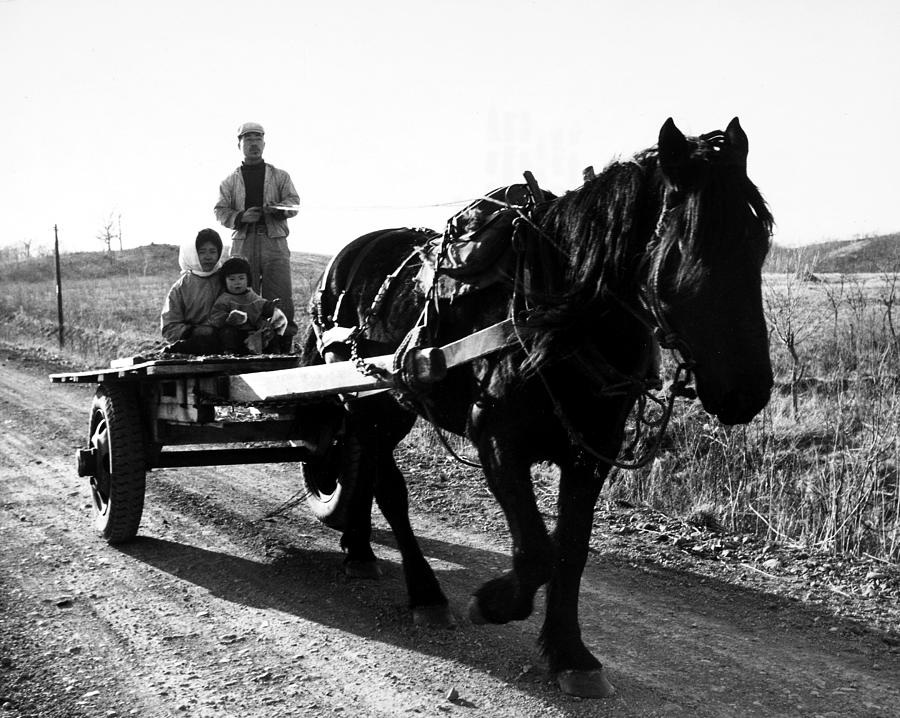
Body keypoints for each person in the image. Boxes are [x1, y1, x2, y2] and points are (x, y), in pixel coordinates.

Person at [214, 122, 299, 352]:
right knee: (241, 295)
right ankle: (245, 349)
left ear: (264, 142)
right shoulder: (229, 182)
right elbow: (220, 211)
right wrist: (241, 217)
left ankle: (282, 347)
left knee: (280, 295)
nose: (253, 143)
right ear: (239, 144)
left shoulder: (280, 176)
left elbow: (294, 203)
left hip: (274, 241)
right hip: (243, 242)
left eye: (258, 138)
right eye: (248, 139)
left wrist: (275, 209)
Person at [160, 228, 225, 354]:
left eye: (212, 251)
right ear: (192, 254)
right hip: (194, 342)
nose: (208, 257)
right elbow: (169, 327)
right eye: (202, 252)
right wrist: (194, 331)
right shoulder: (180, 288)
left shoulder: (228, 278)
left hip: (225, 339)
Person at [209, 256, 288, 354]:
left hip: (252, 332)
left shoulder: (251, 296)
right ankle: (230, 354)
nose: (237, 283)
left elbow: (261, 305)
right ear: (224, 281)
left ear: (248, 279)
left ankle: (275, 354)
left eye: (241, 278)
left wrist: (270, 306)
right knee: (227, 332)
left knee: (269, 331)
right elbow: (215, 317)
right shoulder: (224, 299)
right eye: (232, 279)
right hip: (235, 334)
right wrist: (228, 318)